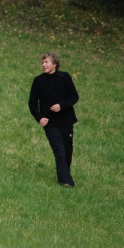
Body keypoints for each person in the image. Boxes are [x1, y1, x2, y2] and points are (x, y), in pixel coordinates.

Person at [28, 52, 80, 187]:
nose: (43, 65)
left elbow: (74, 96)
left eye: (46, 62)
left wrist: (61, 106)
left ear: (55, 64)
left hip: (66, 121)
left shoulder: (65, 77)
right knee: (59, 151)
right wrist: (39, 118)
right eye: (42, 62)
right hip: (50, 123)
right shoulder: (38, 81)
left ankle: (64, 175)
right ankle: (66, 181)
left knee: (68, 151)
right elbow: (32, 103)